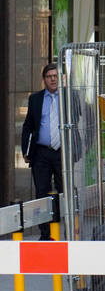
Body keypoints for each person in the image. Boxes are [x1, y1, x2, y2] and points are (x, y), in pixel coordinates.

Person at [21, 63, 80, 239]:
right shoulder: (35, 99)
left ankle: (68, 231)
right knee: (42, 193)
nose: (52, 79)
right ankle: (45, 235)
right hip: (41, 153)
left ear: (61, 78)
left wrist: (80, 147)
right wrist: (26, 150)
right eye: (49, 76)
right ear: (44, 80)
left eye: (55, 76)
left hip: (62, 152)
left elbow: (83, 120)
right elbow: (28, 127)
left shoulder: (70, 98)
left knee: (65, 192)